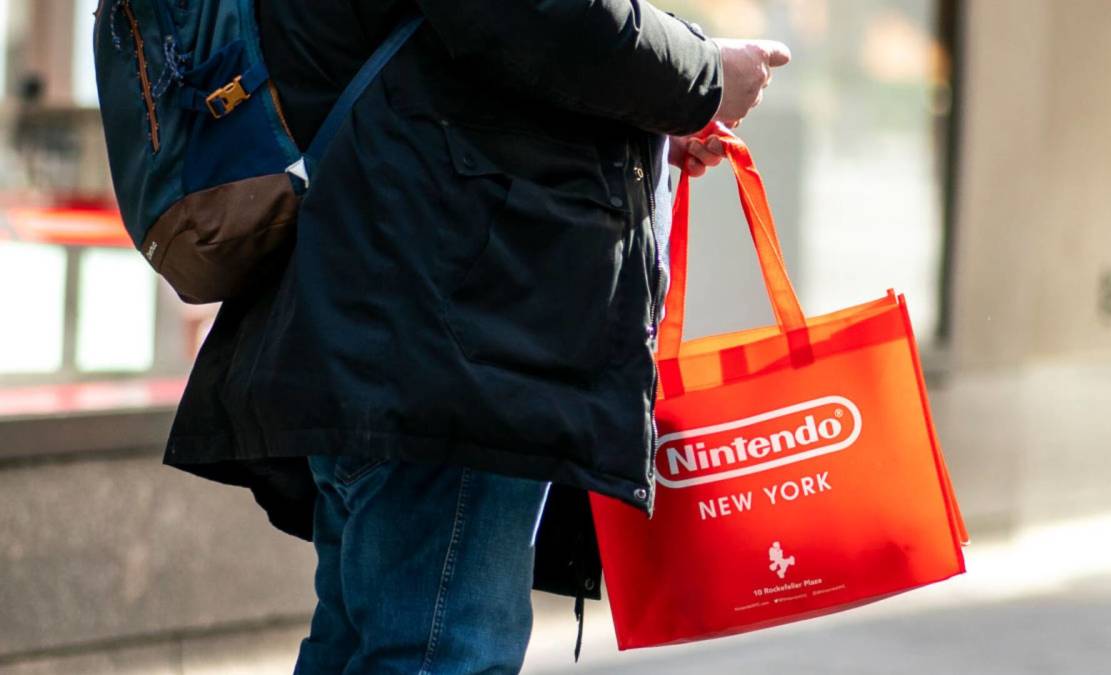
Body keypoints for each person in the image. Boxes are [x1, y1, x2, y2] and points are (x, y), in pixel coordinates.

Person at [163, 1, 789, 672]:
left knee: (371, 644)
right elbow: (539, 13)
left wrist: (643, 123)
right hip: (457, 317)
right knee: (439, 650)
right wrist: (704, 73)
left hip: (407, 298)